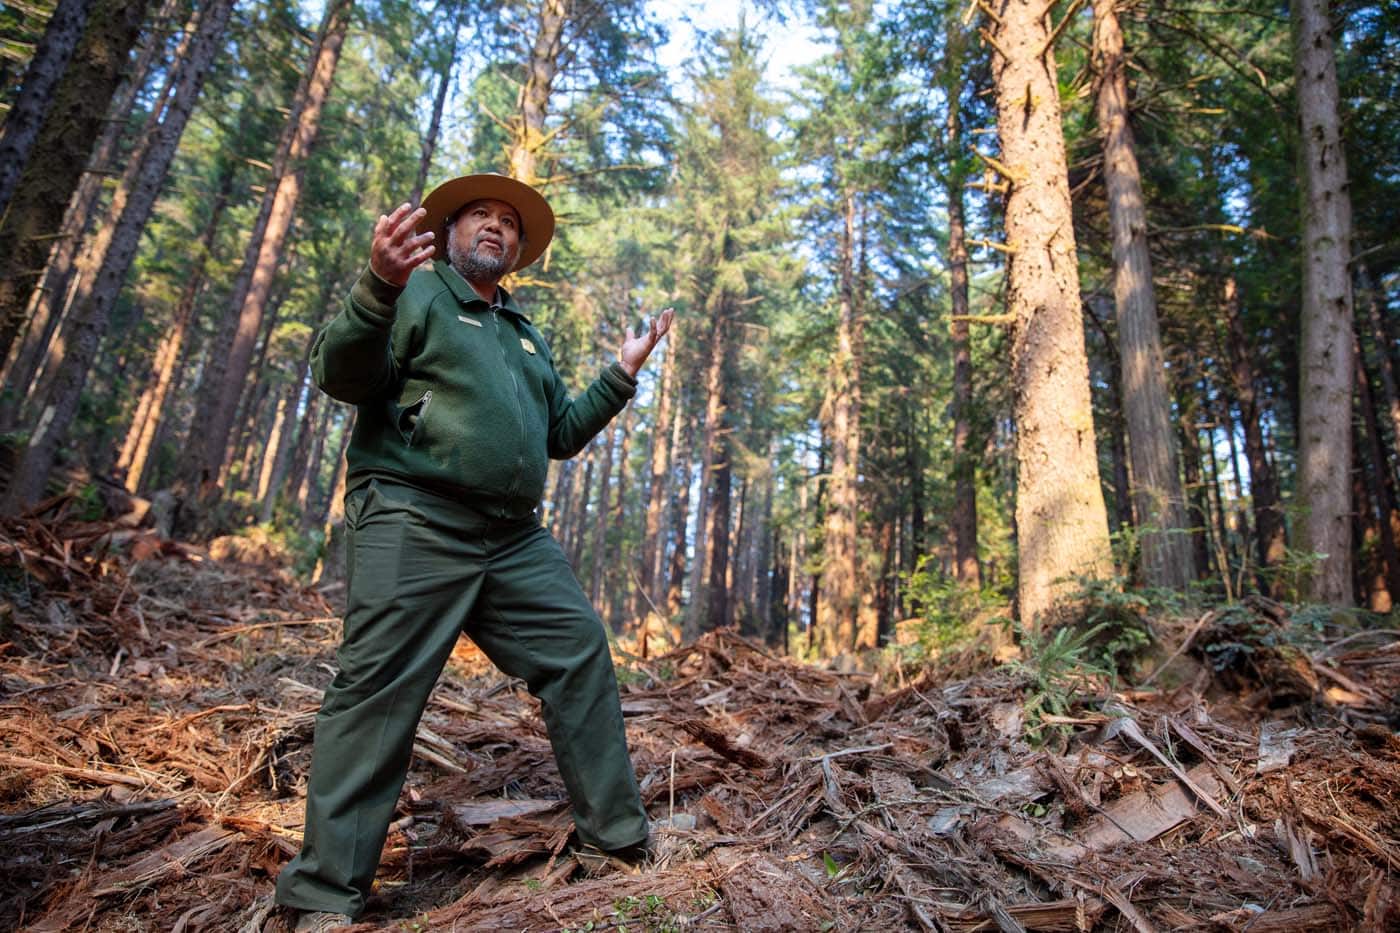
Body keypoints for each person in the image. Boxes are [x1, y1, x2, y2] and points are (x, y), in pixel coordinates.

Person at [273, 173, 674, 930]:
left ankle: (616, 843)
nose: (496, 228)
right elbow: (341, 373)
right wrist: (376, 285)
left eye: (509, 224)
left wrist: (620, 375)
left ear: (519, 251)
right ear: (450, 232)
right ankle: (326, 893)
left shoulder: (525, 334)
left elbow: (559, 435)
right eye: (481, 217)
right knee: (378, 685)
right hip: (414, 514)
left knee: (578, 648)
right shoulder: (419, 294)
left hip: (514, 537)